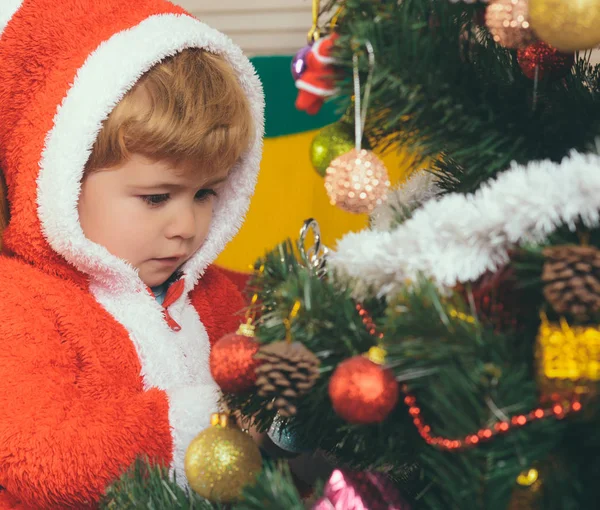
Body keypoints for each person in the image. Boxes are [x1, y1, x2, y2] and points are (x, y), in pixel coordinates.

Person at [0, 0, 264, 508]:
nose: (186, 228)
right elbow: (39, 450)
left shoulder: (209, 291)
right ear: (60, 180)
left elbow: (277, 312)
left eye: (206, 193)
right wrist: (213, 424)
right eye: (157, 198)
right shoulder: (19, 304)